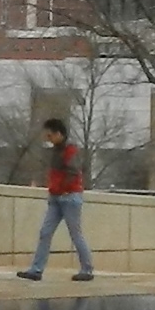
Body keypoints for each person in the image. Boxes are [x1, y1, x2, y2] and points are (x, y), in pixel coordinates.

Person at [24, 114, 97, 281]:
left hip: (69, 197)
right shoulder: (56, 151)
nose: (48, 139)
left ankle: (87, 269)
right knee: (45, 232)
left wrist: (62, 188)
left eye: (50, 135)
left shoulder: (70, 150)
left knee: (75, 234)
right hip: (57, 197)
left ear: (59, 134)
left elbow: (73, 172)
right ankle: (36, 269)